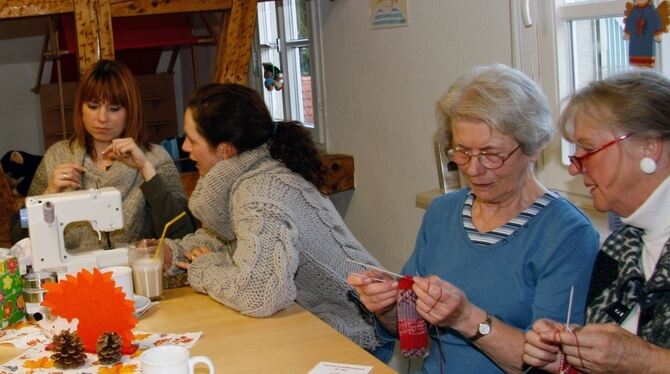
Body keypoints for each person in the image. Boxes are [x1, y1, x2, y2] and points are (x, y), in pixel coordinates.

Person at [347, 64, 600, 373]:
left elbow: (553, 365)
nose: (474, 169)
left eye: (491, 154)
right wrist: (386, 305)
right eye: (462, 152)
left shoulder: (567, 233)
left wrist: (466, 318)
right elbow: (409, 327)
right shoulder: (443, 213)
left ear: (532, 148)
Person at [161, 83, 388, 356]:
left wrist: (204, 268)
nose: (185, 147)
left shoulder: (260, 193)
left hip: (353, 338)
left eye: (192, 140)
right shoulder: (251, 175)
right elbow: (224, 240)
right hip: (316, 325)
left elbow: (261, 295)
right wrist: (172, 253)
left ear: (224, 150)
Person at [523, 70, 670, 373]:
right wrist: (566, 356)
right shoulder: (622, 245)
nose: (575, 168)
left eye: (588, 150)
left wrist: (647, 361)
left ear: (649, 147)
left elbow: (633, 357)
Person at [26, 59, 193, 250]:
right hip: (74, 276)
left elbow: (183, 235)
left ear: (130, 111)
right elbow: (21, 236)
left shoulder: (155, 158)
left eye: (114, 109)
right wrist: (49, 194)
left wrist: (146, 170)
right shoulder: (57, 156)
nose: (102, 118)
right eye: (93, 106)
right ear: (80, 108)